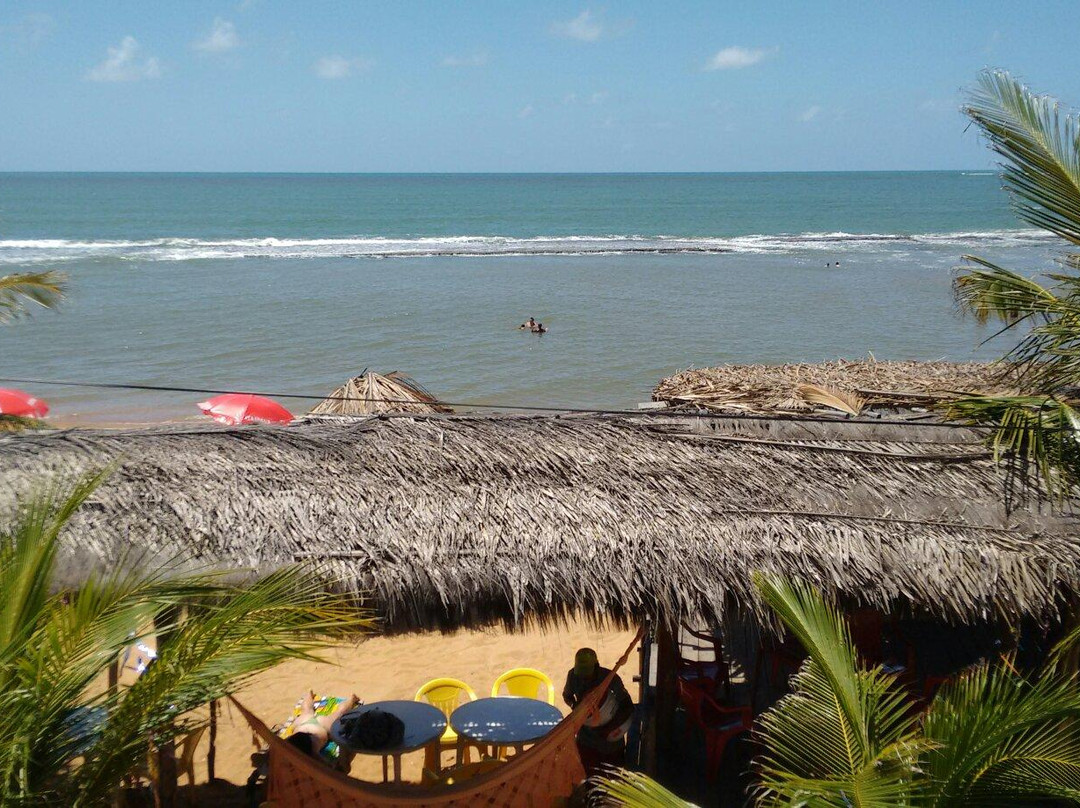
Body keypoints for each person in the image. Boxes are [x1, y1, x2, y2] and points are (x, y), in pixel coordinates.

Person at [562, 648, 634, 774]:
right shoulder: (573, 676)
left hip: (611, 742)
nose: (584, 677)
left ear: (596, 666)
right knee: (588, 775)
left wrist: (609, 728)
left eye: (587, 673)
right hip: (586, 739)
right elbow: (567, 696)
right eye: (581, 673)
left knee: (612, 778)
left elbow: (627, 706)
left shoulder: (610, 679)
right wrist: (578, 708)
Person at [284, 690, 360, 770]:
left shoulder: (309, 753)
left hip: (317, 725)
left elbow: (327, 767)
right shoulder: (304, 750)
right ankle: (309, 694)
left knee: (337, 714)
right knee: (307, 710)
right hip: (303, 724)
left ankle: (352, 699)